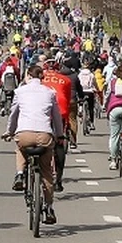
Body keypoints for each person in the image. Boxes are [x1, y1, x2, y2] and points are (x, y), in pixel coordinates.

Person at [4, 64, 65, 225]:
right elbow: (57, 117)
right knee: (46, 173)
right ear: (41, 78)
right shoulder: (49, 92)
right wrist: (59, 135)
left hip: (24, 134)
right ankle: (49, 207)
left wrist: (9, 132)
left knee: (20, 147)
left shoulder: (20, 92)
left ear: (28, 76)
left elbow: (13, 114)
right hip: (45, 135)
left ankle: (19, 174)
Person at [42, 57, 73, 192]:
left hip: (42, 111)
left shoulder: (38, 80)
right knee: (59, 142)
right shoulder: (66, 80)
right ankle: (58, 180)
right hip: (60, 111)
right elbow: (66, 100)